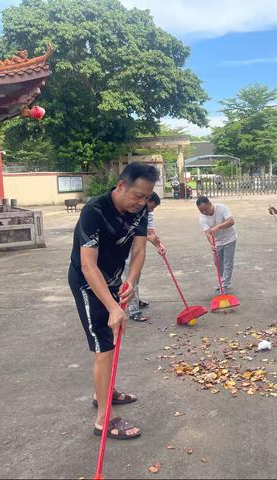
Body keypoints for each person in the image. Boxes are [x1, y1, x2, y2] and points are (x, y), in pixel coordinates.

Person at [68, 162, 159, 439]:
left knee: (110, 340)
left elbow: (140, 250)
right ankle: (103, 418)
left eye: (146, 197)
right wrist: (111, 307)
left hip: (114, 280)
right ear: (121, 186)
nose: (142, 203)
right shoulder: (94, 212)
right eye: (138, 196)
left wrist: (131, 280)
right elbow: (88, 266)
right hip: (88, 284)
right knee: (104, 347)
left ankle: (103, 393)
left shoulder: (140, 210)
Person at [126, 192, 165, 322]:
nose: (152, 210)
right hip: (123, 247)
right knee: (130, 278)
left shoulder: (148, 213)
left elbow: (151, 231)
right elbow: (130, 232)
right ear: (145, 201)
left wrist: (160, 245)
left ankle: (135, 300)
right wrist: (149, 238)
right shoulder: (131, 210)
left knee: (136, 275)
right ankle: (133, 310)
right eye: (151, 207)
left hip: (137, 247)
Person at [196, 196, 236, 292]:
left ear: (210, 204)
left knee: (227, 263)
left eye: (206, 209)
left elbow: (231, 221)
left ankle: (224, 285)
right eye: (201, 211)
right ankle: (224, 281)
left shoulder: (222, 208)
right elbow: (208, 233)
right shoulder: (202, 218)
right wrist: (212, 244)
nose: (204, 212)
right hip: (217, 242)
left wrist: (218, 226)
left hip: (230, 239)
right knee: (217, 263)